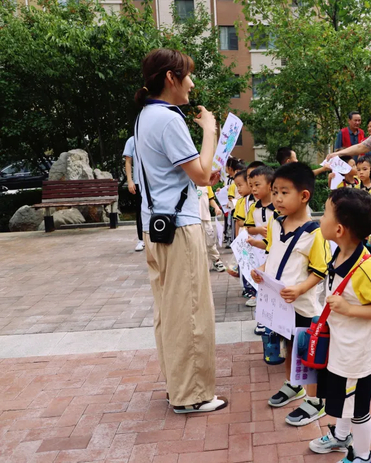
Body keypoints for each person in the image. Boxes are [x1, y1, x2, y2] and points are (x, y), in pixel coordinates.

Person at [133, 48, 227, 414]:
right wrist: (210, 129)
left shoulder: (145, 117)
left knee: (168, 314)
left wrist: (202, 174)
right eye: (186, 75)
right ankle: (192, 396)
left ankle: (178, 386)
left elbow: (186, 175)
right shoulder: (169, 119)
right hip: (179, 228)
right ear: (171, 78)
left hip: (155, 227)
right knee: (190, 311)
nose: (191, 83)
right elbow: (202, 175)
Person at [309, 188, 371, 463]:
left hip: (356, 355)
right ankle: (340, 436)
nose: (319, 218)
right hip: (341, 347)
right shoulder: (338, 253)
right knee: (344, 401)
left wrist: (349, 309)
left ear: (338, 229)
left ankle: (362, 456)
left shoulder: (365, 267)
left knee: (359, 408)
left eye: (324, 213)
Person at [250, 163, 330, 426]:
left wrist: (300, 289)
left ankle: (315, 401)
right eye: (274, 192)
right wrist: (261, 270)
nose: (277, 198)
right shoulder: (275, 222)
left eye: (284, 192)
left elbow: (320, 270)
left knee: (306, 354)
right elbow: (273, 253)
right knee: (287, 346)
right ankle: (293, 385)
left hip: (303, 307)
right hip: (279, 304)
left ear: (304, 196)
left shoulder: (314, 233)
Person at [244, 166, 276, 318]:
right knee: (259, 279)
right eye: (251, 186)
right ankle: (263, 317)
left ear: (270, 186)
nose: (254, 189)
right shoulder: (253, 208)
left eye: (257, 185)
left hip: (274, 251)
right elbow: (248, 227)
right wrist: (258, 231)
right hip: (258, 249)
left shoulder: (278, 208)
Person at [123, 136, 145, 252]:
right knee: (140, 211)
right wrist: (130, 180)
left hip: (154, 181)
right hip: (138, 181)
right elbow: (128, 161)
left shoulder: (153, 136)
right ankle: (141, 239)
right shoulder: (132, 140)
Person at [197, 185, 226, 272]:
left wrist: (216, 208)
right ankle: (198, 264)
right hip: (191, 220)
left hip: (205, 217)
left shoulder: (205, 184)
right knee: (195, 243)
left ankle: (216, 261)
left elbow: (210, 199)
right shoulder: (185, 180)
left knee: (210, 240)